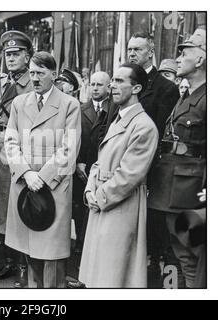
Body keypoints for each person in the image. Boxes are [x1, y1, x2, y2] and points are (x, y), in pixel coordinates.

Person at [4, 51, 81, 288]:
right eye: (32, 73)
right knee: (29, 251)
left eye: (41, 73)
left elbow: (69, 148)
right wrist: (26, 173)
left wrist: (43, 177)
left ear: (54, 75)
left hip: (53, 188)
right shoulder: (19, 103)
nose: (35, 78)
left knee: (52, 255)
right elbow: (10, 141)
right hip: (24, 184)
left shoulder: (69, 105)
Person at [79, 63, 159, 288]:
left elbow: (128, 176)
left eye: (119, 81)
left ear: (136, 88)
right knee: (100, 276)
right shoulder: (119, 118)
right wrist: (89, 190)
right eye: (112, 80)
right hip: (104, 204)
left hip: (120, 207)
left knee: (113, 278)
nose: (112, 85)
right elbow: (99, 160)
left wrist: (98, 197)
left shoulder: (144, 126)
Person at [148, 29, 207, 288]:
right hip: (174, 187)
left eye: (185, 53)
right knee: (182, 254)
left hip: (192, 190)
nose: (179, 58)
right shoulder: (187, 94)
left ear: (202, 59)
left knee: (193, 256)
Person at [0, 30, 34, 288]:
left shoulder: (34, 83)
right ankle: (9, 260)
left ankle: (25, 265)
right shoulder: (0, 84)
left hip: (21, 149)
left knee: (20, 207)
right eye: (7, 54)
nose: (11, 58)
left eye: (16, 54)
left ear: (28, 56)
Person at [127, 32, 181, 284]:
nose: (131, 54)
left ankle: (152, 280)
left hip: (149, 170)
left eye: (137, 49)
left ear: (150, 52)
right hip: (123, 164)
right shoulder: (124, 81)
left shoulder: (166, 88)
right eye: (129, 49)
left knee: (152, 232)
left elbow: (160, 133)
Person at [68, 71, 113, 288]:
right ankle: (78, 264)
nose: (95, 88)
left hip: (101, 172)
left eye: (100, 84)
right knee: (79, 215)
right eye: (92, 84)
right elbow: (73, 137)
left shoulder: (113, 109)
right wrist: (77, 162)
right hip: (80, 172)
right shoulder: (80, 108)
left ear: (108, 86)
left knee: (94, 219)